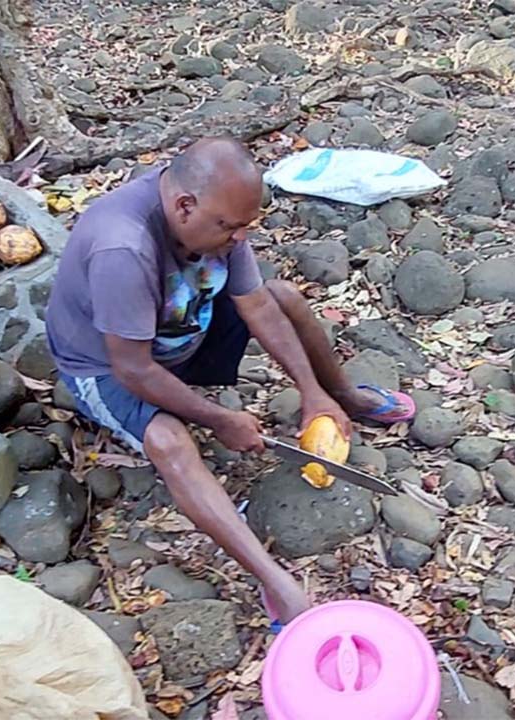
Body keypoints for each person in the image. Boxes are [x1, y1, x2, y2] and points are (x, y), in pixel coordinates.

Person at [46, 137, 415, 622]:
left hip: (181, 332)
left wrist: (312, 394)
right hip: (107, 365)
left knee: (283, 296)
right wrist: (219, 419)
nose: (240, 239)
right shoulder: (124, 245)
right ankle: (275, 584)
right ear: (183, 207)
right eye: (231, 228)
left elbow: (257, 304)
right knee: (171, 441)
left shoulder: (218, 216)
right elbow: (132, 368)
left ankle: (342, 395)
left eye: (247, 227)